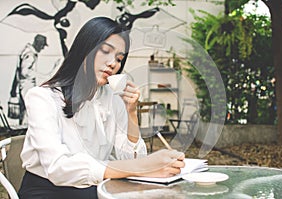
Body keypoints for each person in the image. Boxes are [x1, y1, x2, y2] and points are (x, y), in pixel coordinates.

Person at [18, 17, 185, 199]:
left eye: (119, 59)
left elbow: (129, 161)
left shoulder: (113, 98)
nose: (113, 63)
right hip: (49, 190)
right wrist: (143, 167)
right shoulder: (42, 97)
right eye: (105, 51)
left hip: (97, 186)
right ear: (84, 50)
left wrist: (131, 113)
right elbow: (58, 168)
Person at [9, 34, 48, 124]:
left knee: (25, 111)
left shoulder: (27, 52)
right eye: (42, 46)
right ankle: (26, 129)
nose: (42, 48)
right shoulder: (30, 55)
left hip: (23, 86)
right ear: (38, 44)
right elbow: (24, 71)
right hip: (27, 86)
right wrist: (39, 76)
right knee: (30, 109)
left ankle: (22, 129)